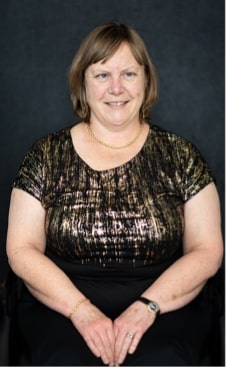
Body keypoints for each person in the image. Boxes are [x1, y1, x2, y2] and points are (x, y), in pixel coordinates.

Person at [6, 21, 223, 367]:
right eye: (102, 75)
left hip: (165, 303)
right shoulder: (45, 155)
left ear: (146, 80)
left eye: (129, 74)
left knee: (162, 360)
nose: (116, 88)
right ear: (83, 83)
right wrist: (81, 312)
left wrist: (147, 307)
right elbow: (20, 249)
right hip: (61, 304)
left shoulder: (182, 155)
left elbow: (208, 250)